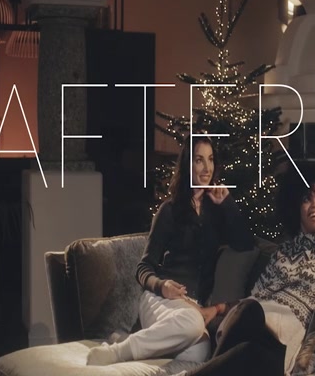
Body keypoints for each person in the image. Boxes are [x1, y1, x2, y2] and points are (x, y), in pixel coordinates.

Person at [200, 163, 315, 375]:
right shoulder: (282, 253)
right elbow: (254, 299)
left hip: (284, 336)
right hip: (254, 326)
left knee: (247, 325)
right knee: (247, 325)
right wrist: (218, 309)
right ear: (295, 207)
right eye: (307, 199)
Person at [86, 136, 255, 366]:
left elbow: (245, 244)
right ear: (188, 165)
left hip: (191, 307)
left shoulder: (216, 211)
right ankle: (117, 352)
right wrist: (162, 286)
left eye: (210, 159)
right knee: (193, 324)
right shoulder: (170, 210)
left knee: (198, 353)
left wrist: (227, 203)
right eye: (199, 160)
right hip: (159, 300)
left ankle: (133, 339)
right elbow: (143, 268)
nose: (207, 168)